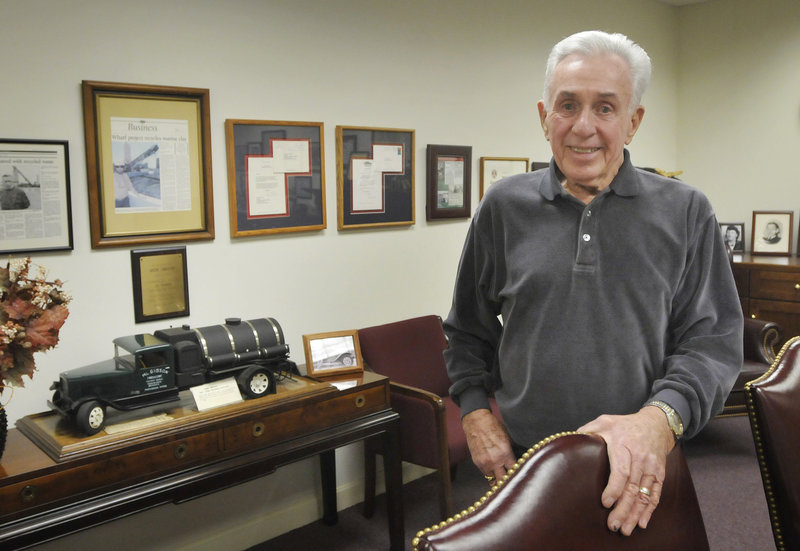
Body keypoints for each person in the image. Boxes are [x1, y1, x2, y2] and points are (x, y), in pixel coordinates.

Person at [443, 30, 742, 537]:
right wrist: (475, 414)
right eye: (568, 106)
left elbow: (712, 344)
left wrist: (658, 420)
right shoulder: (502, 207)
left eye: (605, 108)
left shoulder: (686, 211)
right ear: (544, 117)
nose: (584, 127)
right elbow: (468, 330)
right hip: (526, 465)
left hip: (643, 463)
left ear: (633, 122)